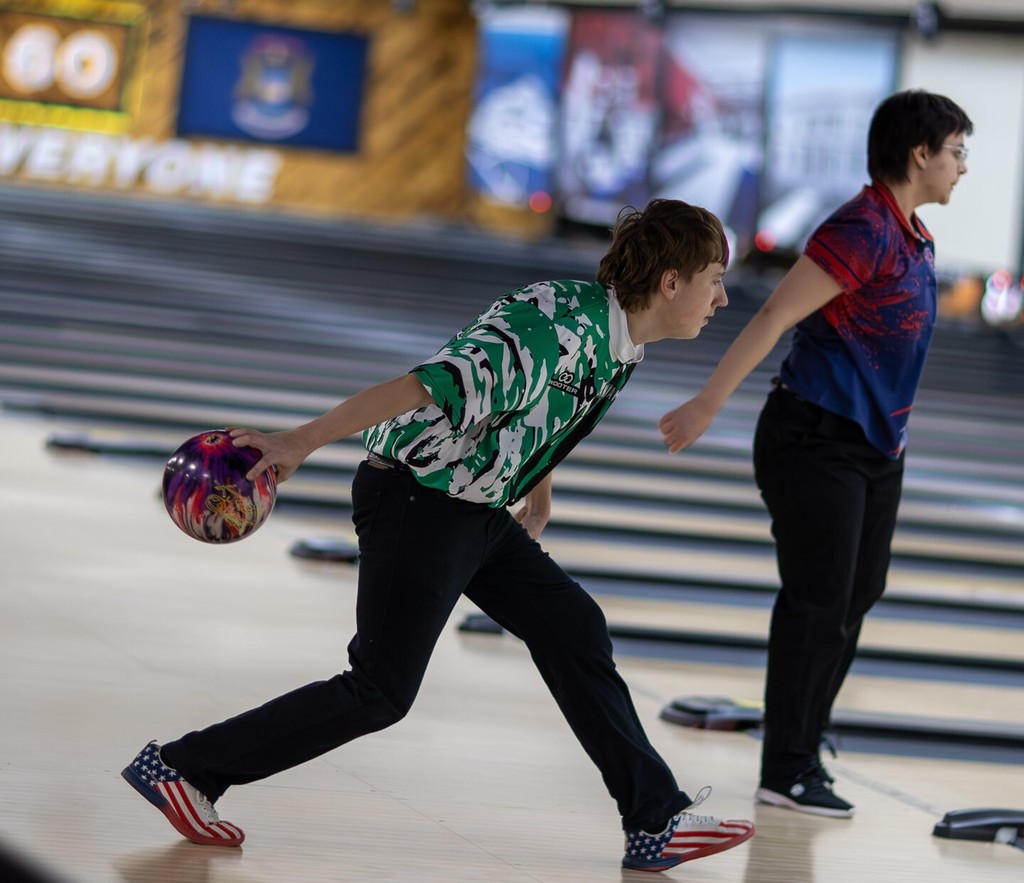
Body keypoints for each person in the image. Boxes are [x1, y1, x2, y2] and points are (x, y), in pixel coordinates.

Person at [122, 198, 755, 872]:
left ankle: (655, 819)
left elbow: (543, 412)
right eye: (714, 278)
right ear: (670, 282)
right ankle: (182, 768)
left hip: (475, 504)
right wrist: (299, 441)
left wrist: (534, 484)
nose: (720, 298)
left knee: (573, 625)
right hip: (418, 498)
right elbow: (424, 386)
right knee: (380, 690)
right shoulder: (560, 328)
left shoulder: (620, 339)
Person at [658, 90, 973, 818]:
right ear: (919, 153)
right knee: (819, 600)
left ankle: (803, 741)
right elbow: (777, 311)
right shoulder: (862, 227)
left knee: (856, 595)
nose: (963, 167)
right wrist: (709, 401)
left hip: (872, 449)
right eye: (957, 151)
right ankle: (788, 765)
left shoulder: (913, 234)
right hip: (814, 438)